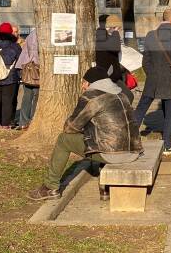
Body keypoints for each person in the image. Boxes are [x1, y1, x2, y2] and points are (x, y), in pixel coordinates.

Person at [28, 65, 142, 200]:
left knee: (64, 140)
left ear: (90, 83)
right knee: (103, 138)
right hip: (133, 152)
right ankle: (104, 189)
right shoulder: (122, 95)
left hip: (113, 155)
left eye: (83, 82)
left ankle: (50, 187)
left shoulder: (91, 96)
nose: (82, 86)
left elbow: (71, 127)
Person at [135, 9, 171, 155]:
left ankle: (130, 137)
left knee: (141, 108)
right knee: (170, 114)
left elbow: (145, 60)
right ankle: (167, 146)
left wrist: (152, 74)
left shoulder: (151, 35)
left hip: (153, 78)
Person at [16, 27, 40, 130]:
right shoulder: (39, 34)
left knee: (27, 96)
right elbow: (35, 53)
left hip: (26, 67)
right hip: (35, 68)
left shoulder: (32, 34)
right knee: (36, 96)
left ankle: (23, 121)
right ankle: (32, 120)